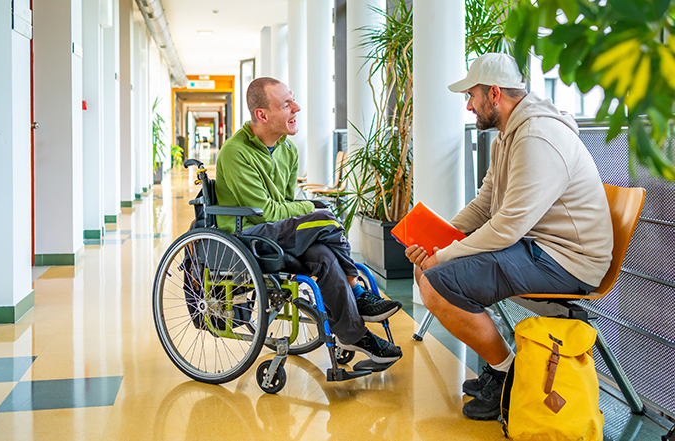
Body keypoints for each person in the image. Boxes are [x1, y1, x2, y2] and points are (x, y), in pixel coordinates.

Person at [405, 53, 613, 420]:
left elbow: (508, 226)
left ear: (495, 93)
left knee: (437, 282)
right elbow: (486, 205)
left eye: (471, 95)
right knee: (428, 271)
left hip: (567, 261)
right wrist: (439, 240)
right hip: (536, 248)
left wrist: (447, 254)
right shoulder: (508, 136)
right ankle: (500, 368)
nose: (468, 105)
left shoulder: (538, 136)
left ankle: (507, 376)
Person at [215, 77, 403, 364]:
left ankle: (353, 335)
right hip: (249, 234)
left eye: (294, 100)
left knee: (324, 256)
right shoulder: (235, 152)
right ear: (262, 115)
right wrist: (310, 207)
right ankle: (356, 289)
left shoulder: (287, 150)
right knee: (325, 217)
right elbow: (265, 212)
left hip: (279, 231)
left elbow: (287, 205)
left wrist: (303, 208)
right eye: (287, 104)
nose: (297, 108)